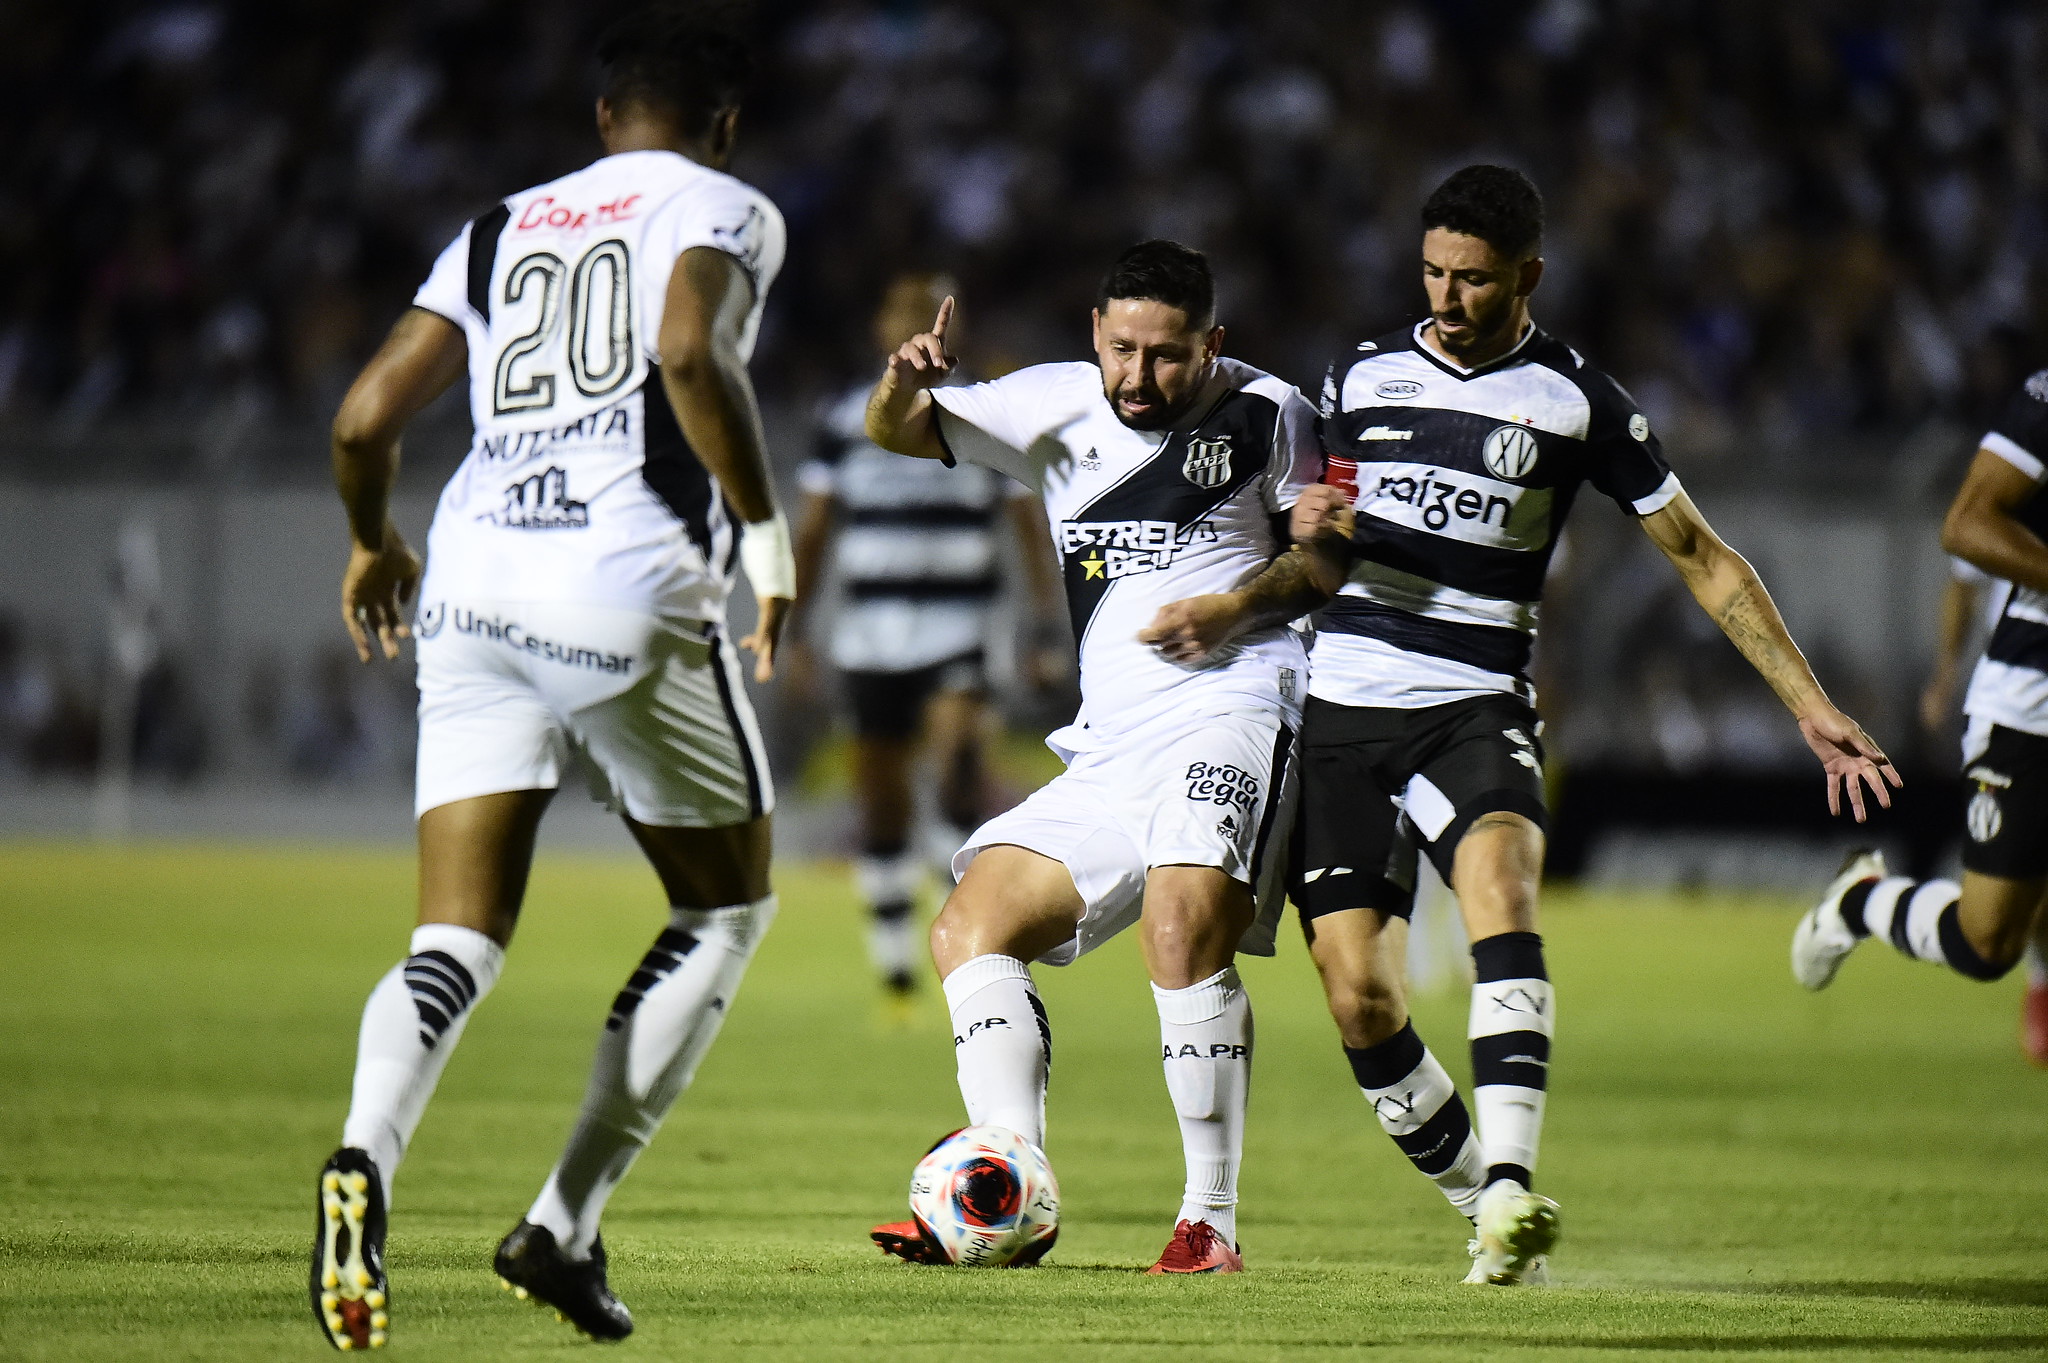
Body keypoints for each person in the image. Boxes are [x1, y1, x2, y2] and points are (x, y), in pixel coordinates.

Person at [1154, 165, 1898, 1285]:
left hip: (1473, 704)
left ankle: (1509, 1187)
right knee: (1359, 998)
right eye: (1433, 273)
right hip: (1345, 709)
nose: (1445, 298)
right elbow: (1316, 545)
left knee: (1501, 889)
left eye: (1473, 280)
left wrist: (1810, 705)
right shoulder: (1357, 375)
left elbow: (1698, 555)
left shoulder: (1574, 399)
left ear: (1528, 276)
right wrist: (1258, 576)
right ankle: (1474, 1198)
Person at [309, 8, 793, 1347]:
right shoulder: (727, 206)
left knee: (453, 934)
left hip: (468, 585)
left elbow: (361, 417)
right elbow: (690, 351)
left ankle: (363, 1155)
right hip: (620, 582)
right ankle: (559, 1222)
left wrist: (370, 541)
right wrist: (765, 539)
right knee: (726, 904)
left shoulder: (496, 224)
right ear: (727, 122)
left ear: (601, 118)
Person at [859, 240, 1326, 1273]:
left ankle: (1209, 1221)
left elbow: (1323, 557)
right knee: (971, 923)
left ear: (1212, 343)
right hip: (1111, 746)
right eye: (1122, 350)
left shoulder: (1272, 414)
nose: (1139, 377)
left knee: (1178, 924)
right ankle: (1010, 1186)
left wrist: (1235, 605)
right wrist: (904, 382)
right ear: (1094, 337)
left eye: (1166, 355)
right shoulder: (1049, 405)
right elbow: (893, 433)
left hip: (1233, 710)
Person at [791, 273, 1064, 1004]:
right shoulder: (844, 417)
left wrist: (1041, 624)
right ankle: (895, 972)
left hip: (960, 629)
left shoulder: (984, 411)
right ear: (882, 325)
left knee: (956, 776)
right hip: (868, 637)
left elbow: (1026, 525)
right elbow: (815, 529)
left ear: (956, 324)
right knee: (880, 804)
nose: (914, 321)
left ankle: (968, 948)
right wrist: (795, 629)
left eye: (930, 309)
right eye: (900, 309)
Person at [1796, 369, 2048, 1057]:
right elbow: (1966, 528)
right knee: (1988, 937)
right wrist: (1944, 670)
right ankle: (1864, 899)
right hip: (2032, 706)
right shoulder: (2045, 398)